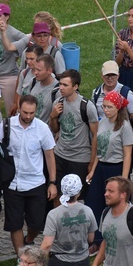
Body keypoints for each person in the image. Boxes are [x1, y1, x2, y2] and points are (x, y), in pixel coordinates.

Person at [0, 95, 57, 256]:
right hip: (12, 183)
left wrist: (52, 182)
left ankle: (29, 240)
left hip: (35, 182)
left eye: (32, 113)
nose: (28, 116)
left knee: (37, 223)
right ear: (18, 108)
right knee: (14, 223)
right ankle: (21, 257)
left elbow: (49, 156)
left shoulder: (42, 128)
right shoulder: (6, 126)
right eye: (25, 112)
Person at [85, 90, 133, 245]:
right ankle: (96, 240)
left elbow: (128, 155)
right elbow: (100, 149)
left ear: (118, 108)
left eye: (109, 107)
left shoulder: (125, 127)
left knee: (115, 204)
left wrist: (124, 179)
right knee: (94, 203)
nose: (105, 110)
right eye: (104, 106)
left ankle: (114, 238)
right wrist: (93, 170)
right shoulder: (102, 122)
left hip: (116, 168)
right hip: (101, 168)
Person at [49, 69, 98, 201]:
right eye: (60, 84)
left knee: (77, 196)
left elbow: (95, 135)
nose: (61, 88)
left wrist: (92, 161)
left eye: (65, 85)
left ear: (75, 87)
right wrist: (53, 117)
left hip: (80, 158)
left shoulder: (86, 106)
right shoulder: (58, 103)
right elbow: (55, 129)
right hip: (60, 154)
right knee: (58, 194)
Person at [92, 60, 133, 139]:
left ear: (118, 75)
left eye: (113, 75)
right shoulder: (96, 93)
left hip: (121, 137)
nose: (110, 78)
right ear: (102, 75)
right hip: (102, 136)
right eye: (107, 75)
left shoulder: (127, 94)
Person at [0, 3, 27, 110]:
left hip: (8, 76)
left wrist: (16, 56)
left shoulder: (15, 33)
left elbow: (23, 44)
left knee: (12, 108)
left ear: (7, 17)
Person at [22, 54, 59, 121]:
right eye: (35, 69)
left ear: (49, 71)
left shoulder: (57, 90)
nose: (35, 72)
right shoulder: (33, 81)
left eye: (39, 70)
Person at [11, 45, 43, 117]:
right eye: (27, 58)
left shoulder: (45, 77)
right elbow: (19, 94)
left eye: (32, 59)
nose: (28, 62)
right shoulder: (24, 73)